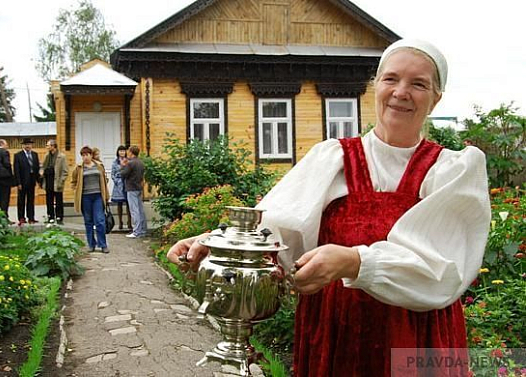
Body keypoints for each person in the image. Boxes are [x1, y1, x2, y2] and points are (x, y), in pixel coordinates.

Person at [166, 39, 491, 376]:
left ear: (436, 98)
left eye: (418, 83)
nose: (401, 92)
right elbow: (275, 231)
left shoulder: (454, 171)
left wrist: (354, 261)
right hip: (337, 332)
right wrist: (216, 243)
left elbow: (444, 268)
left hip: (419, 335)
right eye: (391, 79)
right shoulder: (331, 158)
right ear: (375, 85)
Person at [71, 146, 110, 253]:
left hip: (97, 196)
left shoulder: (99, 166)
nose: (85, 157)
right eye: (83, 155)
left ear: (91, 155)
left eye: (87, 155)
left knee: (100, 221)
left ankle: (103, 245)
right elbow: (73, 181)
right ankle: (91, 244)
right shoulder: (78, 168)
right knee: (88, 221)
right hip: (85, 197)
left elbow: (104, 179)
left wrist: (106, 195)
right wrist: (76, 189)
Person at [120, 145, 147, 238]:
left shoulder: (130, 163)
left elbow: (123, 174)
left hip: (131, 188)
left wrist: (122, 166)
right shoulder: (141, 163)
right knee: (140, 210)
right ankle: (143, 230)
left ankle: (136, 231)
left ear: (131, 152)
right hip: (139, 187)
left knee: (134, 210)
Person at [13, 138, 40, 225]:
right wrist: (18, 183)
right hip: (22, 181)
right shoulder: (18, 155)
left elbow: (37, 168)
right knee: (21, 200)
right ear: (23, 145)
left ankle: (31, 217)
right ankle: (21, 218)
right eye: (26, 144)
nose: (28, 146)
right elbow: (16, 170)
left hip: (32, 180)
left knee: (31, 200)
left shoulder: (35, 154)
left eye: (29, 144)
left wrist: (38, 181)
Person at [41, 139, 69, 224]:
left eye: (48, 145)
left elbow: (65, 171)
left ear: (53, 146)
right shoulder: (46, 156)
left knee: (59, 201)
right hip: (48, 180)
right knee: (49, 200)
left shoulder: (61, 156)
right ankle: (50, 217)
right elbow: (43, 166)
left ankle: (59, 217)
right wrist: (41, 172)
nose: (47, 147)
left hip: (57, 181)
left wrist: (61, 181)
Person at [111, 145, 132, 231]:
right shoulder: (115, 162)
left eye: (123, 151)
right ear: (118, 152)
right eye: (120, 151)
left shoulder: (128, 161)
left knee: (128, 204)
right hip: (118, 184)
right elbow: (112, 173)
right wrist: (116, 181)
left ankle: (129, 222)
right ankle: (120, 222)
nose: (122, 152)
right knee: (119, 204)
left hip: (126, 183)